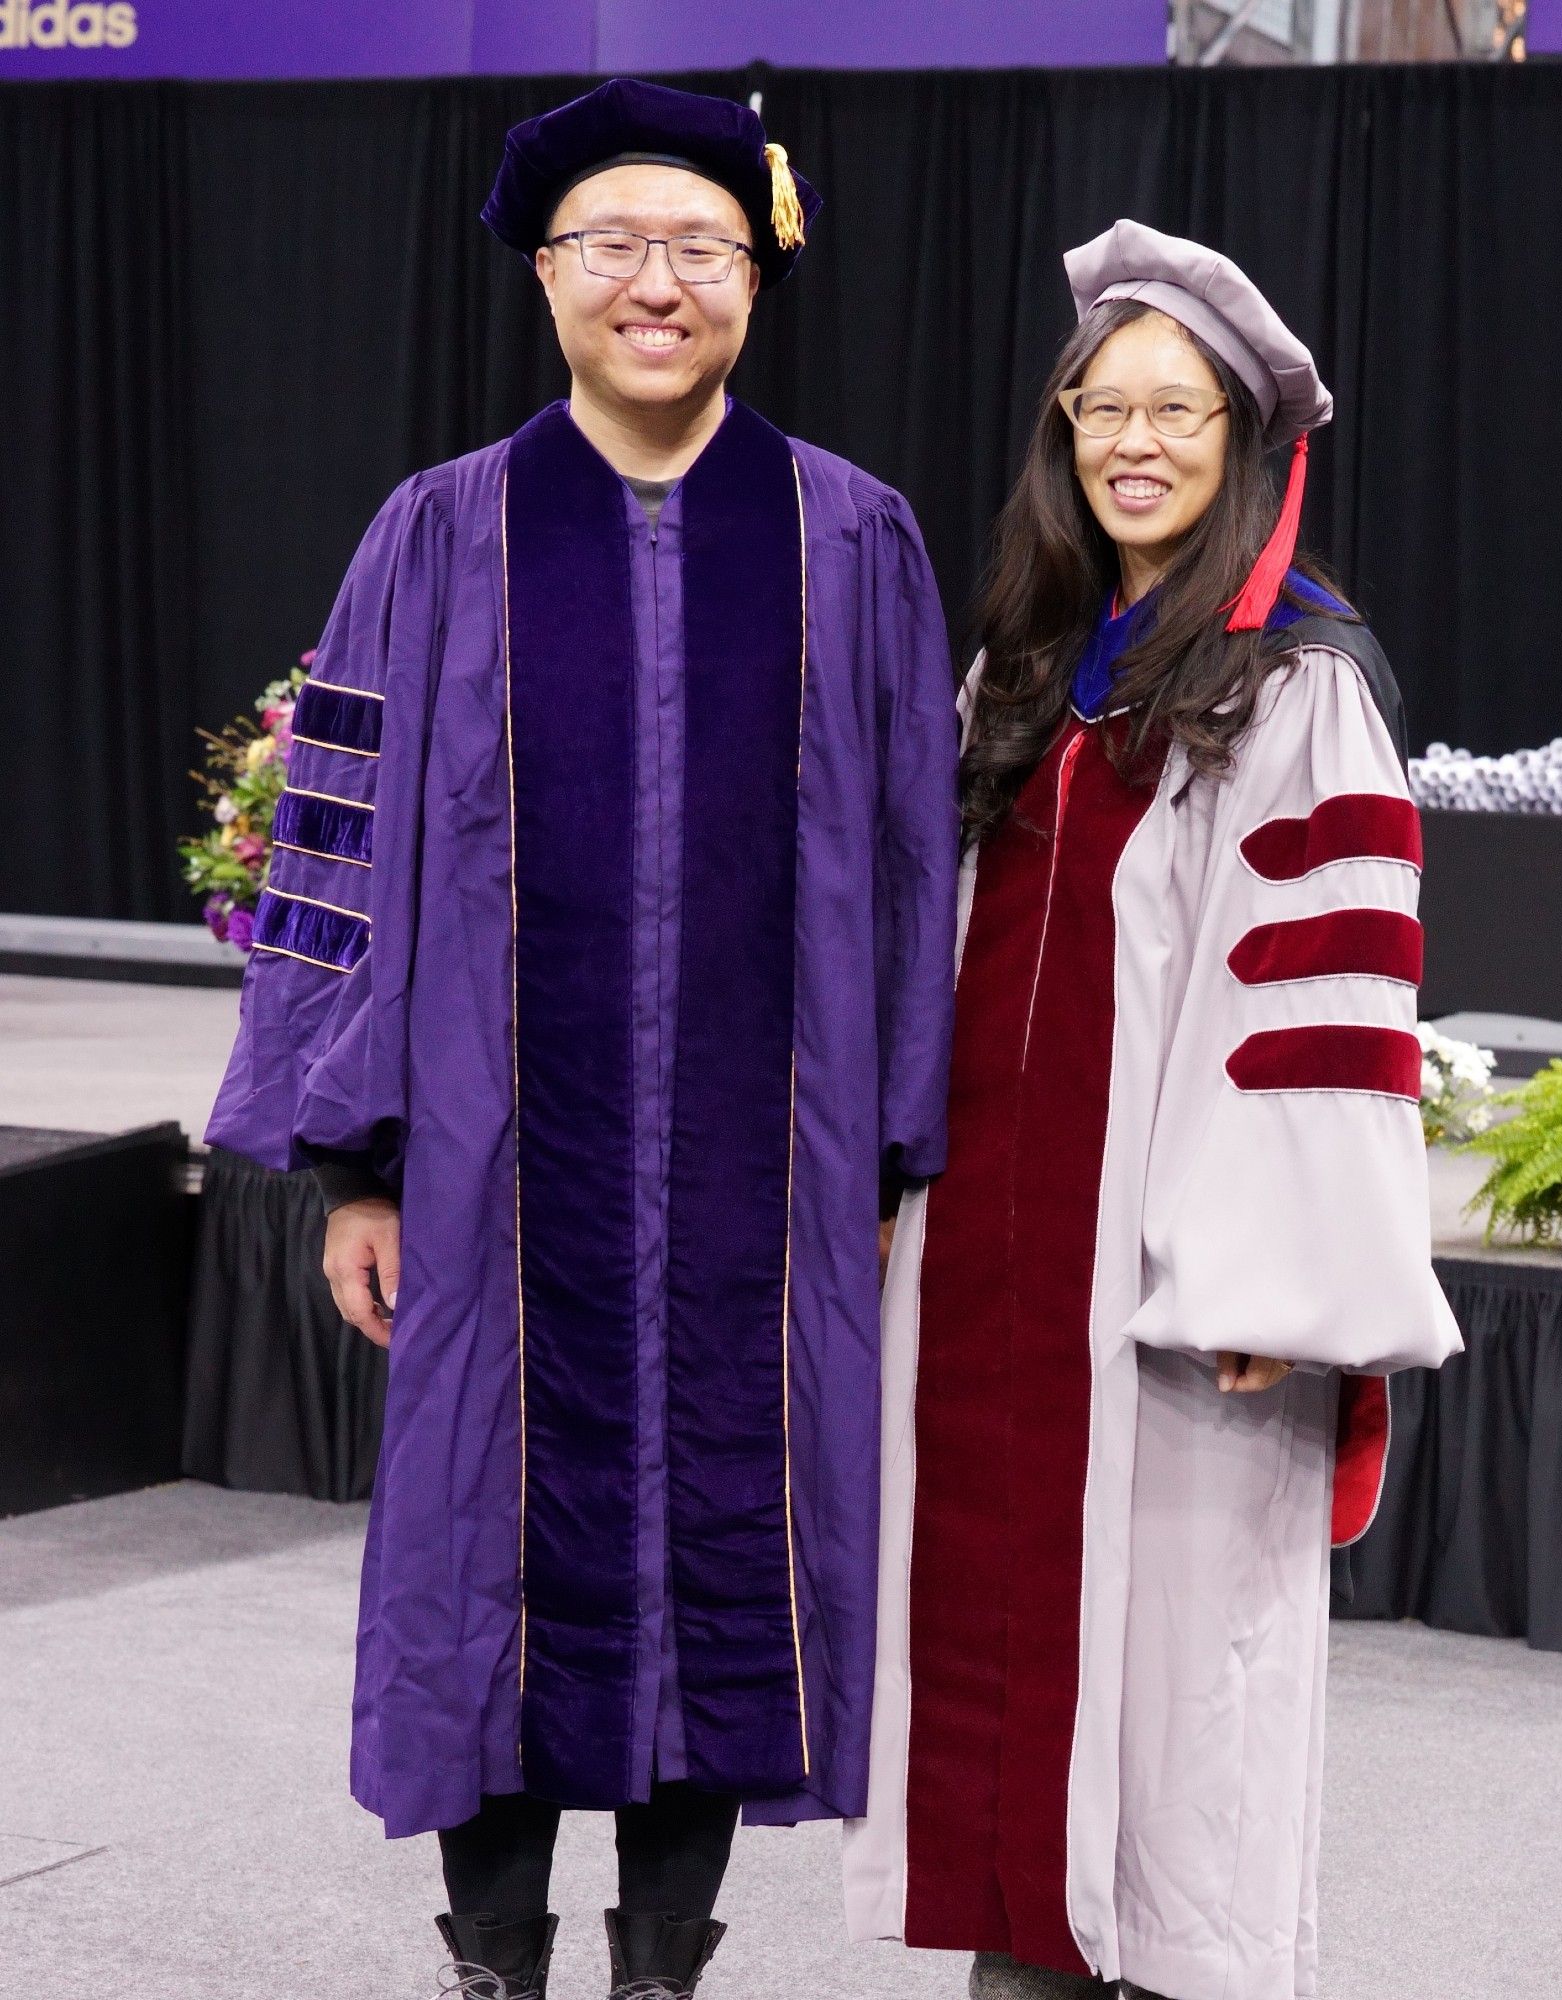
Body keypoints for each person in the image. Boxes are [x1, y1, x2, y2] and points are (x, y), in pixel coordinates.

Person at [206, 77, 959, 2000]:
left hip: (759, 1168)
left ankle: (661, 1973)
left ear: (754, 280)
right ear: (548, 280)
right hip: (486, 1159)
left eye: (698, 246)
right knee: (488, 1547)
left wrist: (885, 1147)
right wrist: (354, 1166)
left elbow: (903, 851)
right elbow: (340, 849)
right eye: (612, 244)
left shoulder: (848, 536)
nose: (656, 281)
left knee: (729, 1524)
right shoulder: (440, 532)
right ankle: (494, 1966)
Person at [843, 220, 1462, 2000]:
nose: (1133, 442)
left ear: (1244, 441)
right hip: (989, 1275)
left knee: (1183, 1696)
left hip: (1176, 1300)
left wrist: (1269, 1281)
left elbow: (1326, 1005)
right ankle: (1026, 1963)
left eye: (1175, 410)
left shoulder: (1297, 681)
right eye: (1100, 407)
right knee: (1009, 1670)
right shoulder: (1027, 670)